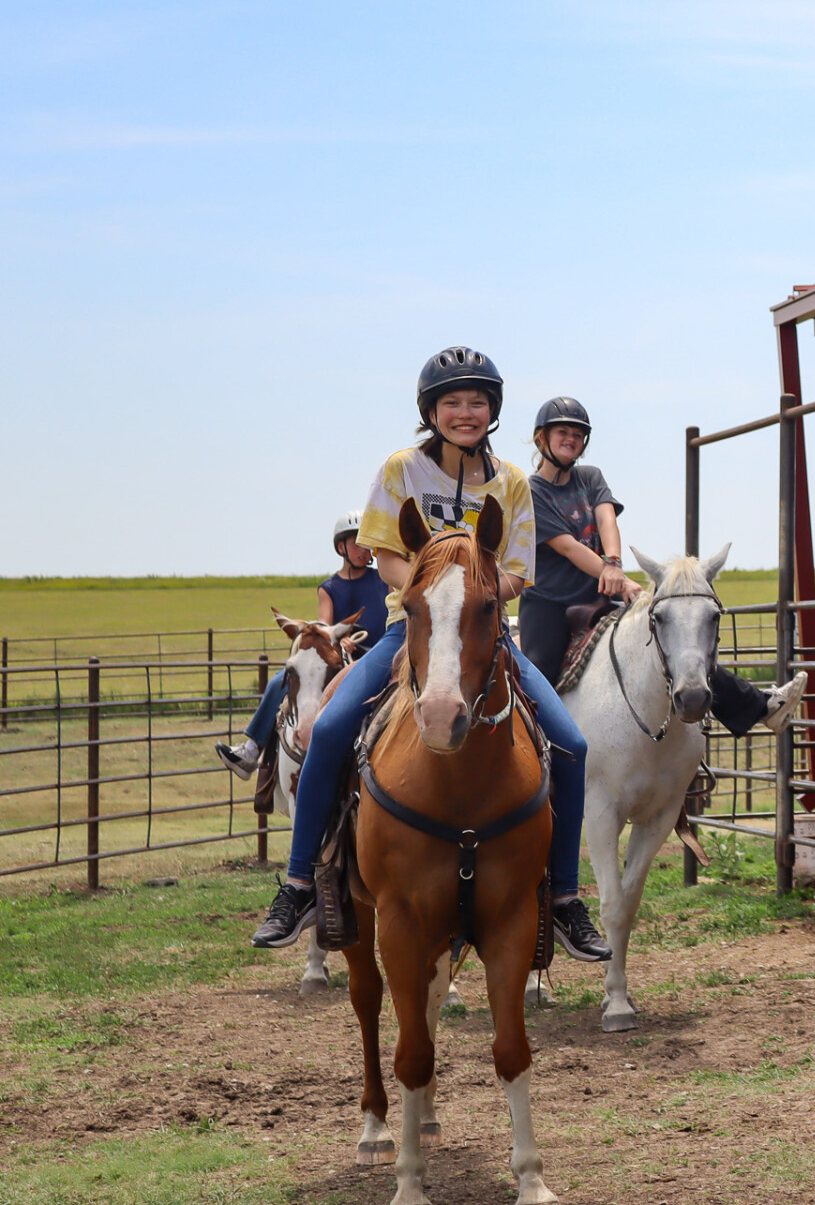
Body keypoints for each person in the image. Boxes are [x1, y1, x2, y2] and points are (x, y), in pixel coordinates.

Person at [250, 347, 612, 963]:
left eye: (477, 402)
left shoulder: (512, 483)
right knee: (332, 729)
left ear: (493, 410)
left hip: (485, 634)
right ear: (431, 411)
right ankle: (301, 882)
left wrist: (470, 597)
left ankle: (566, 897)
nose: (465, 413)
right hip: (407, 630)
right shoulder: (400, 470)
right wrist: (430, 596)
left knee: (571, 745)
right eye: (452, 403)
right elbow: (384, 552)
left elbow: (518, 573)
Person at [515, 396, 806, 729]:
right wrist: (616, 577)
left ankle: (761, 707)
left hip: (600, 592)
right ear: (542, 438)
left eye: (578, 435)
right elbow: (567, 547)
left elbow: (607, 519)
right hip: (549, 601)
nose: (571, 440)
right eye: (562, 432)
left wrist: (614, 562)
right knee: (538, 674)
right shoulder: (531, 490)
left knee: (665, 639)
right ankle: (534, 749)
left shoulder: (590, 477)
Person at [215, 513, 390, 781]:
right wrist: (337, 637)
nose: (362, 551)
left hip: (379, 656)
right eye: (356, 544)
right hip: (342, 658)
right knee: (281, 681)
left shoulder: (384, 579)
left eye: (366, 545)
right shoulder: (329, 588)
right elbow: (324, 625)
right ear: (341, 547)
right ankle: (252, 751)